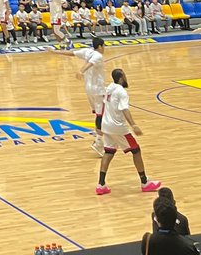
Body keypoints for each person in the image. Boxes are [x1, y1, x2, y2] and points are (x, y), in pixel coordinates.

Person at [96, 68, 161, 196]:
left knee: (108, 152)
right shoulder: (121, 92)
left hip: (106, 125)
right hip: (118, 127)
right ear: (121, 78)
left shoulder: (109, 87)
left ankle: (101, 184)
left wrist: (98, 124)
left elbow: (102, 105)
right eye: (125, 76)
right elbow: (125, 109)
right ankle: (144, 182)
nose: (126, 78)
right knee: (136, 150)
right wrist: (134, 125)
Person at [59, 36, 106, 154]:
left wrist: (54, 51)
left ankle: (99, 140)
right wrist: (81, 71)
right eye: (103, 46)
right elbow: (89, 64)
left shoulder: (87, 51)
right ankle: (99, 143)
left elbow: (71, 53)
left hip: (89, 89)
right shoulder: (98, 56)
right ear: (100, 46)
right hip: (98, 90)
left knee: (98, 115)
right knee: (101, 116)